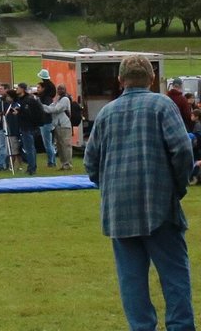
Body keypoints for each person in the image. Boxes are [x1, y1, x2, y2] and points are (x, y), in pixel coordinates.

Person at [84, 54, 195, 331]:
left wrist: (110, 188)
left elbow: (90, 161)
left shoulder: (107, 113)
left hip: (119, 210)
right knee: (174, 274)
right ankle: (180, 326)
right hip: (158, 205)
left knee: (131, 279)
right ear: (152, 78)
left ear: (120, 80)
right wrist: (177, 187)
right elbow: (182, 149)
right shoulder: (162, 105)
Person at [42, 84, 73, 172]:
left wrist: (42, 106)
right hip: (58, 125)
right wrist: (43, 106)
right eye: (58, 89)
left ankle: (68, 164)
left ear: (65, 90)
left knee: (66, 145)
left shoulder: (65, 99)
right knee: (59, 146)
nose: (60, 90)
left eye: (61, 89)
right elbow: (50, 108)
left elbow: (55, 109)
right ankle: (64, 164)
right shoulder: (58, 100)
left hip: (64, 125)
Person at [35, 70, 58, 167]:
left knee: (47, 143)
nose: (37, 89)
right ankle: (52, 161)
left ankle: (51, 162)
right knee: (49, 143)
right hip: (47, 122)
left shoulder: (45, 99)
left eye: (39, 88)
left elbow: (47, 110)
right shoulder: (49, 94)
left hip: (46, 122)